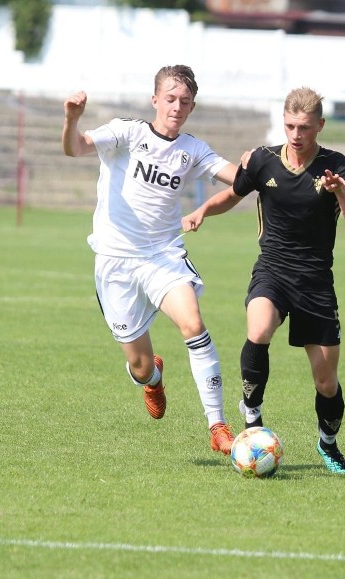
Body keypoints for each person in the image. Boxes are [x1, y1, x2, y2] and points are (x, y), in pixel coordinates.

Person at [182, 86, 345, 476]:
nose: (296, 134)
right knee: (259, 328)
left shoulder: (337, 165)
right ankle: (252, 418)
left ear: (319, 124)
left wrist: (342, 194)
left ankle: (329, 445)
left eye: (304, 127)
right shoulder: (263, 161)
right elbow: (233, 195)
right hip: (273, 269)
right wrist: (201, 210)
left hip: (316, 282)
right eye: (289, 126)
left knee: (326, 381)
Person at [61, 64, 237, 455]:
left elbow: (239, 177)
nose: (176, 106)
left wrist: (264, 166)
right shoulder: (127, 132)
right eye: (170, 98)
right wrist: (72, 119)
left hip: (162, 257)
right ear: (155, 99)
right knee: (140, 368)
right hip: (115, 262)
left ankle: (218, 426)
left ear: (192, 107)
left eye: (185, 101)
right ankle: (153, 378)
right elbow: (75, 148)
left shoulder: (193, 150)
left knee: (193, 324)